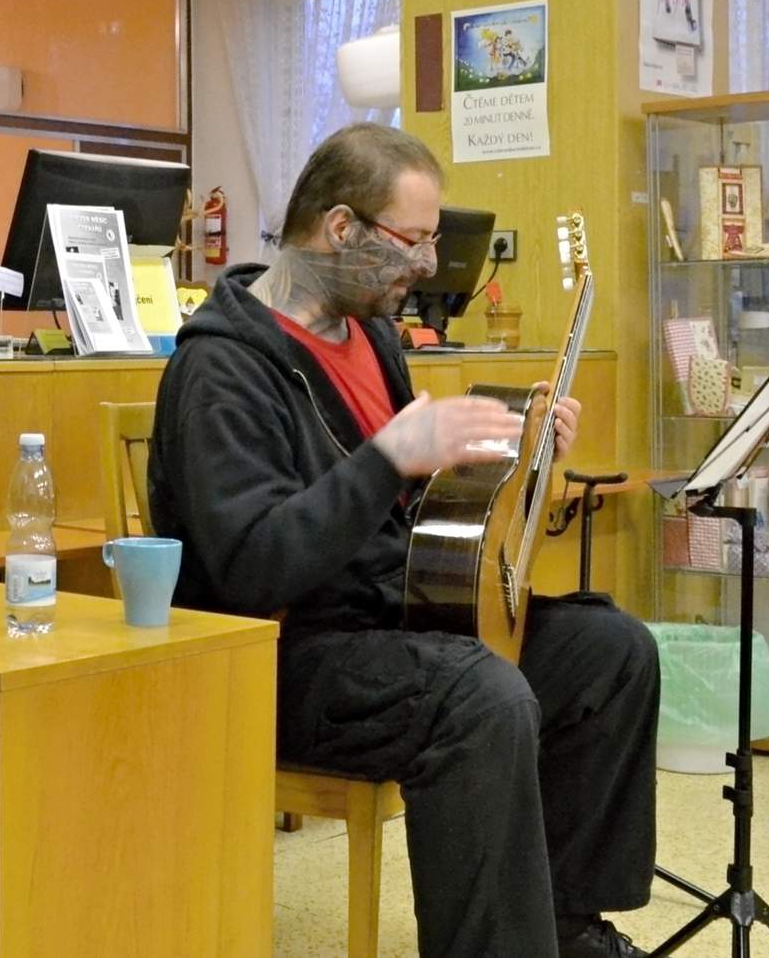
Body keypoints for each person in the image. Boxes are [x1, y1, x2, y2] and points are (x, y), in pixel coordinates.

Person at [149, 123, 657, 958]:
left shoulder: (372, 336)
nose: (428, 264)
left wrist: (518, 452)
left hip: (388, 619)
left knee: (611, 652)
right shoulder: (221, 371)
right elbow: (250, 567)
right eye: (412, 241)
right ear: (340, 228)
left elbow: (411, 511)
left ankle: (570, 932)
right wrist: (390, 457)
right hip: (279, 656)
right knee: (482, 698)